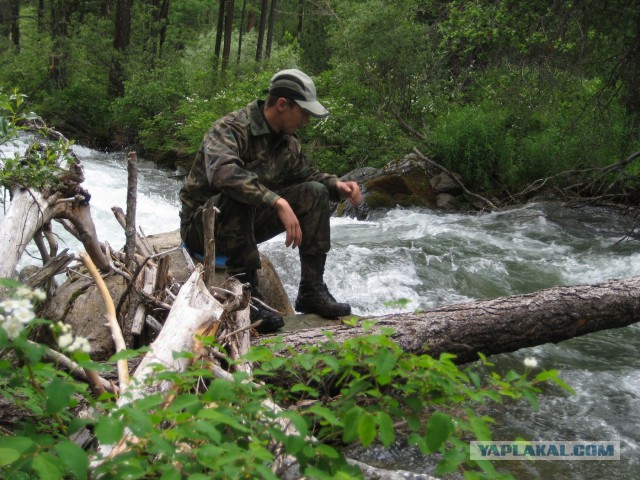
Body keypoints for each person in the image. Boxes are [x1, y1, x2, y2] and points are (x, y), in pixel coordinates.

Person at [179, 68, 362, 333]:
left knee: (315, 192)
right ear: (282, 104)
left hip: (243, 226)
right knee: (241, 194)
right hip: (202, 228)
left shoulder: (286, 143)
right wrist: (277, 201)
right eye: (304, 112)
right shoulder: (230, 129)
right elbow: (223, 174)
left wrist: (337, 185)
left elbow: (308, 174)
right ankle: (247, 295)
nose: (307, 121)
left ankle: (311, 289)